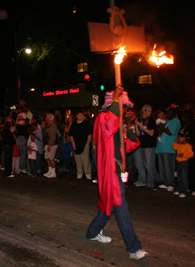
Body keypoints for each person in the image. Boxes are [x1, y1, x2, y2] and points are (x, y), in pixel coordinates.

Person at [86, 85, 148, 261]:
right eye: (121, 106)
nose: (124, 110)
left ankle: (92, 231)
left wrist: (128, 126)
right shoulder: (102, 118)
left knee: (111, 204)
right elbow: (109, 127)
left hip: (118, 169)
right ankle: (134, 248)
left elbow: (127, 146)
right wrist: (116, 98)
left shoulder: (117, 121)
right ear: (112, 104)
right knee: (121, 206)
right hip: (110, 170)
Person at [133, 104, 159, 188]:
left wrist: (141, 126)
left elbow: (151, 133)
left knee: (149, 165)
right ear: (143, 111)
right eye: (148, 111)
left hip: (150, 146)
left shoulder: (151, 120)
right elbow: (138, 134)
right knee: (145, 164)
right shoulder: (140, 119)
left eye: (150, 111)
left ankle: (150, 183)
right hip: (142, 145)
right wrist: (137, 125)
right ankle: (155, 179)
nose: (150, 113)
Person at [156, 108, 181, 192]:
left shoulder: (176, 121)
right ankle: (165, 182)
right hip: (161, 147)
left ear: (174, 114)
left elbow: (170, 132)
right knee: (162, 166)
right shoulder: (168, 121)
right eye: (167, 113)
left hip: (169, 148)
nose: (168, 115)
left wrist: (161, 127)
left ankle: (170, 184)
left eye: (170, 114)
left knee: (169, 167)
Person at [180, 110, 195, 196]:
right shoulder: (186, 124)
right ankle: (189, 186)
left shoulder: (193, 124)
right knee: (189, 168)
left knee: (194, 168)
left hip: (193, 149)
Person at [68, 110, 93, 179]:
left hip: (84, 144)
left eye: (82, 115)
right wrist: (73, 144)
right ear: (76, 116)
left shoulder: (86, 124)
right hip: (76, 144)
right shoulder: (74, 124)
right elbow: (71, 135)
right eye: (79, 115)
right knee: (78, 160)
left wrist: (87, 143)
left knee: (86, 160)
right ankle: (79, 172)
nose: (81, 116)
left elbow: (89, 134)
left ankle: (88, 173)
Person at [172, 132, 194, 198]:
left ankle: (185, 191)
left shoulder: (188, 146)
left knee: (184, 177)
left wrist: (184, 155)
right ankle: (180, 190)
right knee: (179, 177)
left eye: (180, 138)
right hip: (179, 162)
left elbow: (191, 154)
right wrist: (176, 142)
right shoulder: (179, 145)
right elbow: (174, 147)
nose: (179, 139)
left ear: (184, 138)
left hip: (184, 162)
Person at [43, 113, 58, 178]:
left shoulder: (52, 126)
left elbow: (52, 137)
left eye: (46, 118)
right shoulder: (49, 126)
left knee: (51, 158)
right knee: (47, 157)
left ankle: (53, 172)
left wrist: (50, 145)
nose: (45, 119)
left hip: (51, 145)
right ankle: (50, 171)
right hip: (47, 144)